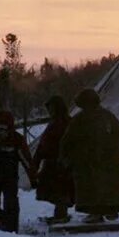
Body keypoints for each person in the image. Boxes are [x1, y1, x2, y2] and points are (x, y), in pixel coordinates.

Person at [59, 88, 119, 223]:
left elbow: (68, 139)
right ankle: (110, 209)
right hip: (104, 160)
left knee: (92, 186)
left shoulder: (82, 119)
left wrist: (66, 155)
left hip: (89, 161)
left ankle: (97, 212)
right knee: (106, 185)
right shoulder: (107, 116)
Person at [33, 95, 75, 224]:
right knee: (55, 189)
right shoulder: (55, 122)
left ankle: (61, 215)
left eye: (51, 108)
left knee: (60, 189)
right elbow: (44, 144)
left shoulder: (66, 122)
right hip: (52, 161)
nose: (49, 111)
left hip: (61, 162)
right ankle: (59, 214)